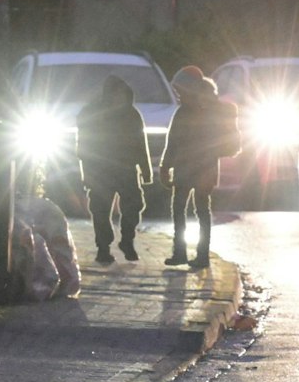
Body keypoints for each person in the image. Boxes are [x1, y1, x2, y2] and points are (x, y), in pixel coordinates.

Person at [159, 66, 241, 270]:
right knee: (190, 209)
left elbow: (173, 143)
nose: (178, 95)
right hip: (194, 169)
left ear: (191, 90)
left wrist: (166, 166)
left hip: (200, 169)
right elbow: (172, 143)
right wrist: (164, 167)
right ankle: (184, 253)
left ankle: (197, 255)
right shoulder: (184, 112)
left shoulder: (211, 113)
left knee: (196, 209)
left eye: (180, 91)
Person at [74, 74, 152, 264]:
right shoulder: (91, 113)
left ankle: (127, 240)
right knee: (100, 211)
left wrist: (146, 170)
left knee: (133, 207)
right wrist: (87, 174)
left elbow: (141, 144)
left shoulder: (132, 114)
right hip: (100, 171)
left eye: (123, 96)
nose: (120, 99)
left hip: (126, 170)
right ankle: (103, 248)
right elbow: (83, 147)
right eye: (117, 95)